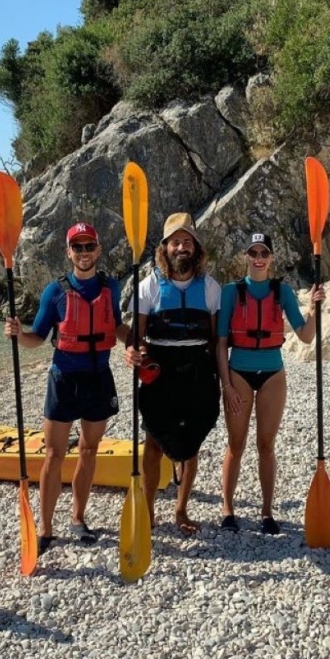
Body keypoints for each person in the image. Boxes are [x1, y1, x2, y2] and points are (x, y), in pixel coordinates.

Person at [4, 222, 131, 555]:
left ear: (98, 250)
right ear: (68, 252)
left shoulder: (111, 287)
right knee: (53, 455)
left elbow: (115, 325)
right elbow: (36, 339)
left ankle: (77, 517)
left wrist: (136, 340)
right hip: (63, 379)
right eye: (78, 247)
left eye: (90, 246)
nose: (84, 252)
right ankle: (45, 529)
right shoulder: (55, 291)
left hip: (99, 378)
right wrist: (18, 334)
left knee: (89, 450)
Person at [216, 232, 326, 535]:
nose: (259, 258)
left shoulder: (283, 292)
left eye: (264, 253)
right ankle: (227, 508)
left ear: (272, 258)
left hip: (273, 374)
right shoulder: (231, 292)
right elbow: (221, 342)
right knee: (236, 444)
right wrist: (226, 385)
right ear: (246, 257)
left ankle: (266, 512)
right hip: (238, 373)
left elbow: (305, 336)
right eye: (253, 253)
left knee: (266, 446)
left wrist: (315, 309)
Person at [125, 212, 221, 534]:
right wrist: (133, 353)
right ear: (164, 248)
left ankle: (181, 510)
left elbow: (216, 340)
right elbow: (135, 338)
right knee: (153, 443)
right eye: (175, 242)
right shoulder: (148, 286)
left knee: (190, 445)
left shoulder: (210, 288)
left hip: (196, 369)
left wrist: (222, 380)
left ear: (196, 248)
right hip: (161, 371)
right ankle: (149, 509)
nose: (182, 247)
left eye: (187, 241)